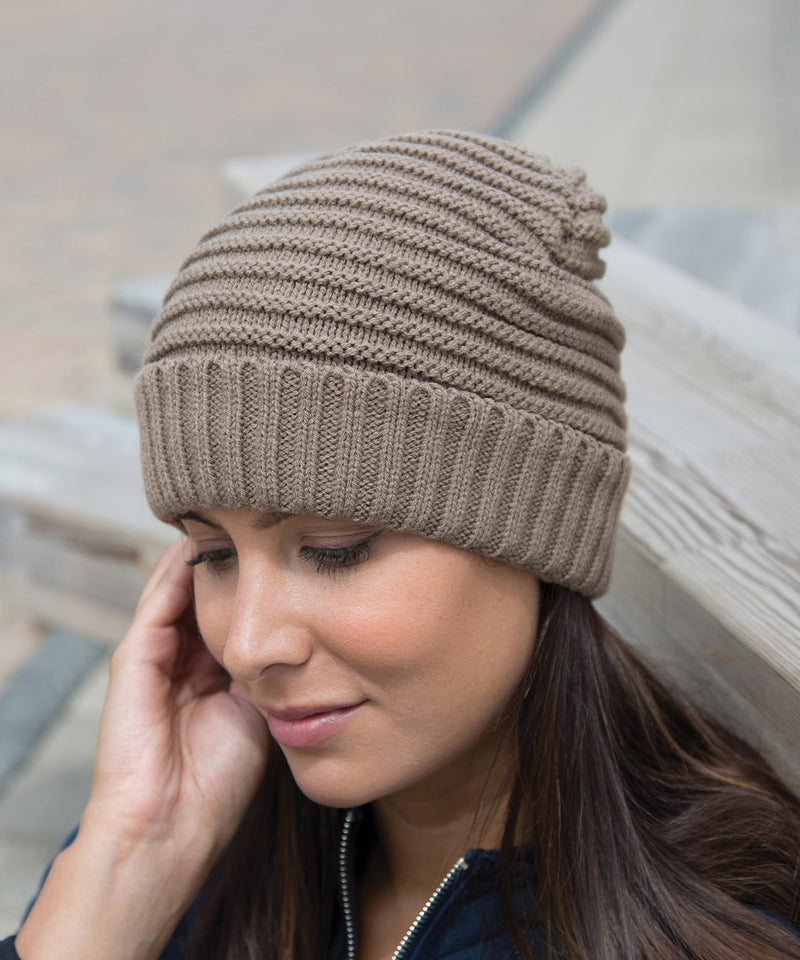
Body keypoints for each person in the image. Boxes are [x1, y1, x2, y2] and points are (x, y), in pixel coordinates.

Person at [4, 131, 800, 960]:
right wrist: (133, 858)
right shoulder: (185, 862)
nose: (248, 646)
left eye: (336, 547)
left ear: (537, 528)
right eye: (214, 555)